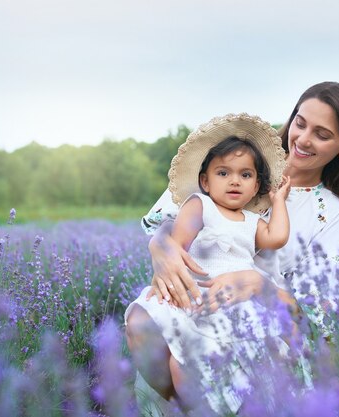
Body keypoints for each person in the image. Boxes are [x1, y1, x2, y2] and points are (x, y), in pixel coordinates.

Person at [126, 81, 339, 413]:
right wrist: (161, 248)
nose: (303, 139)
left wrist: (258, 284)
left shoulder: (330, 215)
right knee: (141, 325)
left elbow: (322, 320)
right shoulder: (243, 157)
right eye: (300, 122)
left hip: (259, 326)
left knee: (195, 370)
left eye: (322, 134)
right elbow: (169, 218)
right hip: (196, 295)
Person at [126, 113, 292, 413]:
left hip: (236, 300)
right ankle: (188, 407)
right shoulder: (199, 204)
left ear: (256, 187)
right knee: (181, 362)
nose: (234, 181)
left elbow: (277, 237)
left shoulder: (253, 220)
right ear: (205, 180)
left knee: (220, 361)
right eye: (223, 173)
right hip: (196, 290)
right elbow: (178, 244)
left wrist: (278, 200)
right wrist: (166, 261)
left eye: (245, 175)